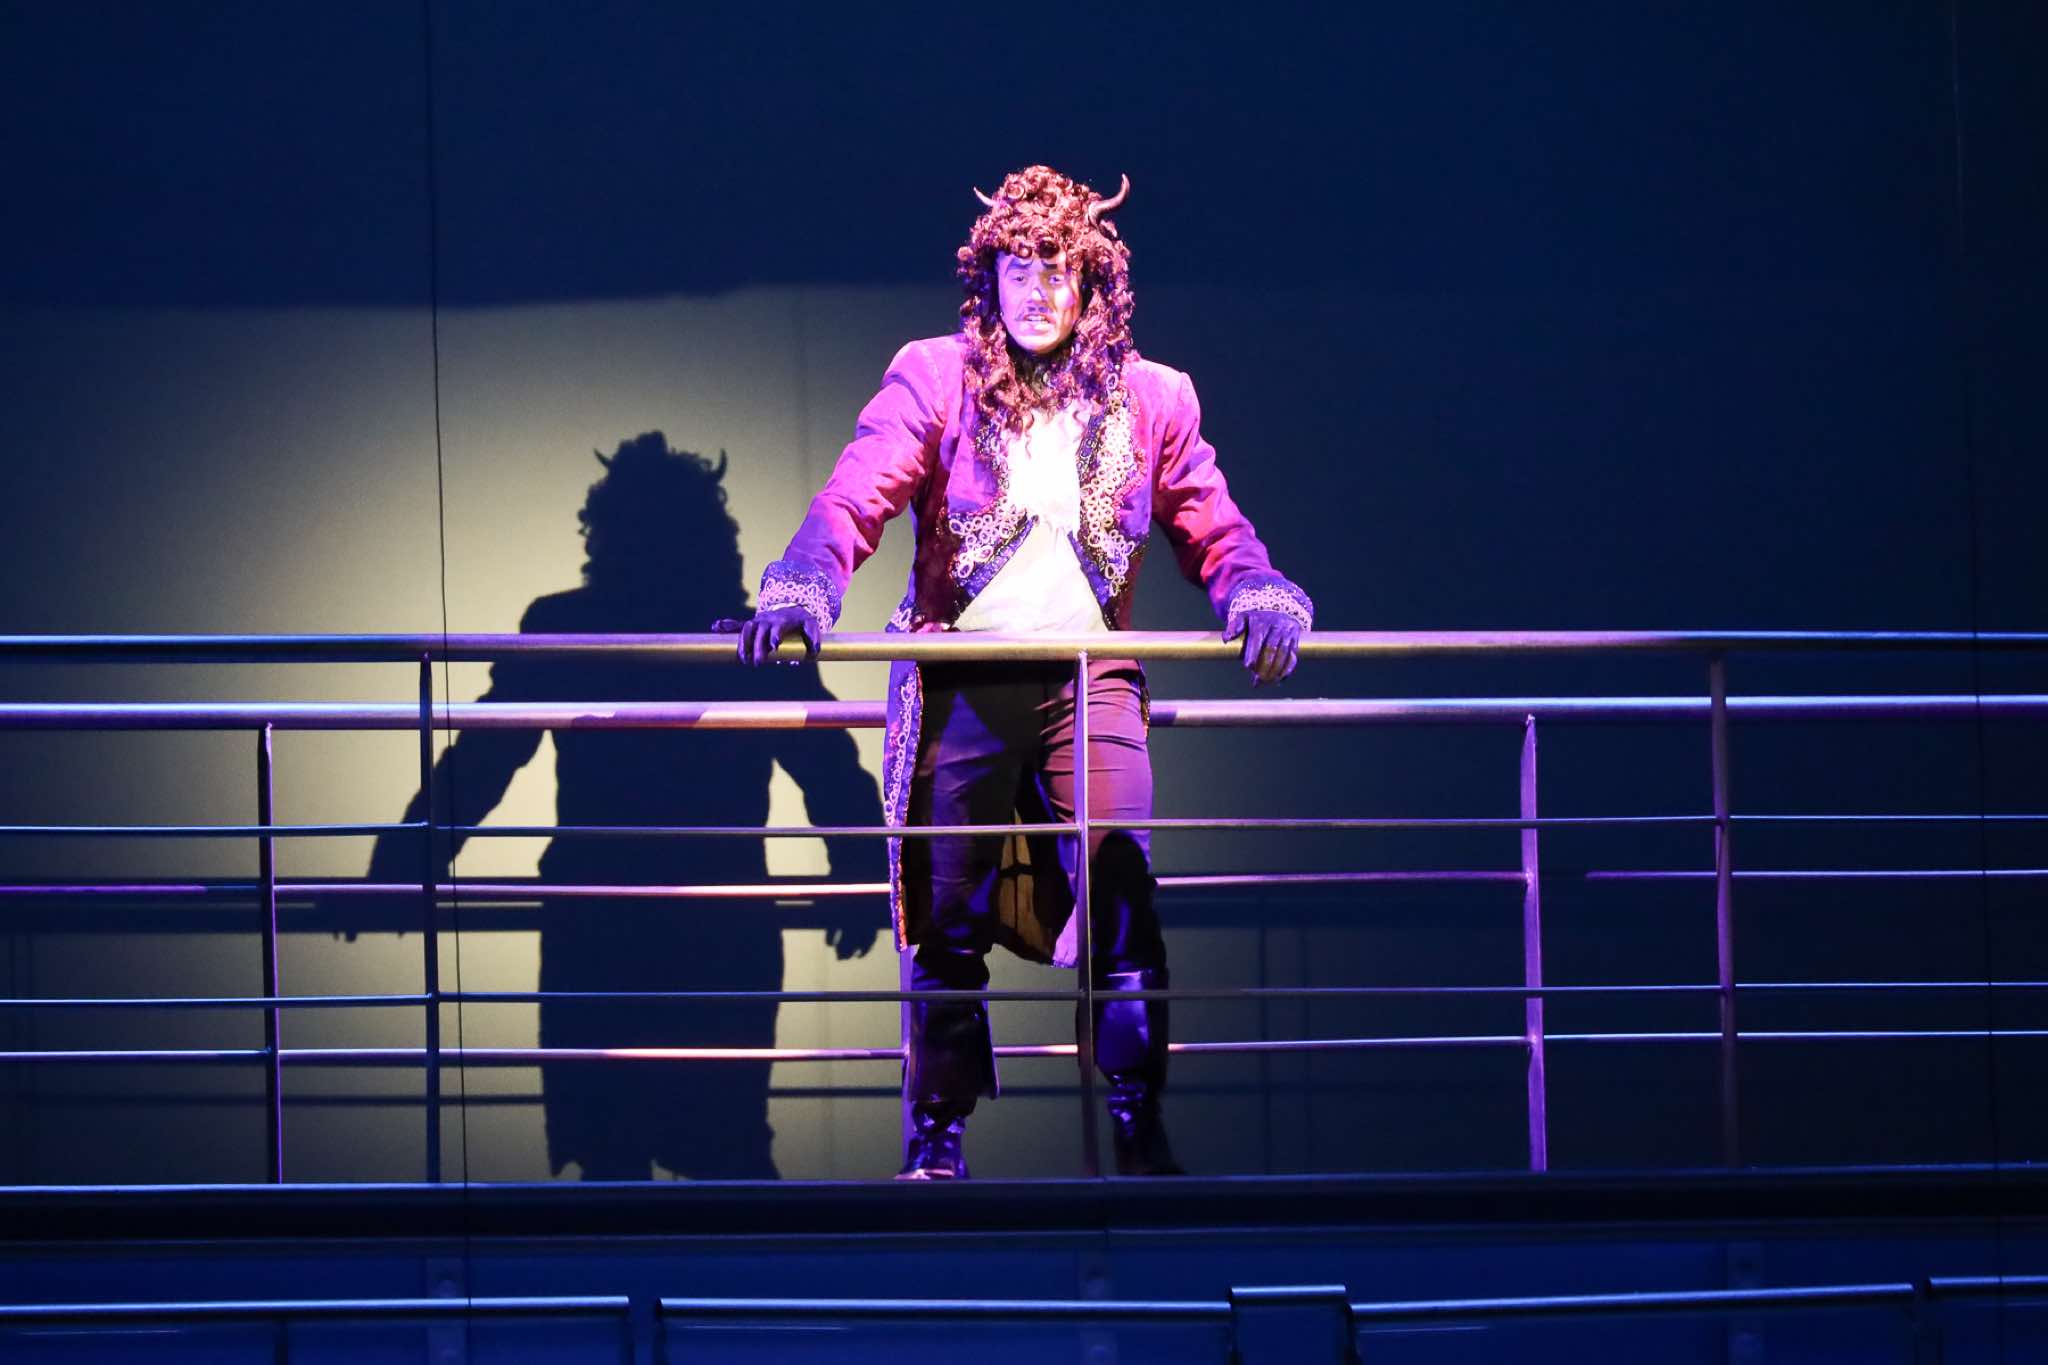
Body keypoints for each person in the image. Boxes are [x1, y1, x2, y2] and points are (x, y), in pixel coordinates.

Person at [733, 166, 1312, 1179]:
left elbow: (1211, 521)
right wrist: (804, 585)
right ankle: (937, 1135)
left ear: (1092, 284)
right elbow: (856, 494)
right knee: (946, 912)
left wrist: (1257, 590)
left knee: (1122, 886)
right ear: (987, 277)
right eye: (1018, 268)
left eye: (1058, 270)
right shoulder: (935, 375)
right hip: (962, 678)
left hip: (1089, 679)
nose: (1038, 291)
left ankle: (1137, 1118)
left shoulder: (1154, 396)